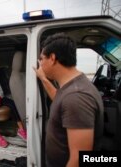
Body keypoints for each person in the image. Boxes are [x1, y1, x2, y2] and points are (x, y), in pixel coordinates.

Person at [33, 33, 103, 167]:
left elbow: (79, 159)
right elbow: (60, 100)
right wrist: (43, 78)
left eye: (41, 59)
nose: (40, 64)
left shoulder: (76, 97)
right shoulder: (72, 87)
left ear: (52, 58)